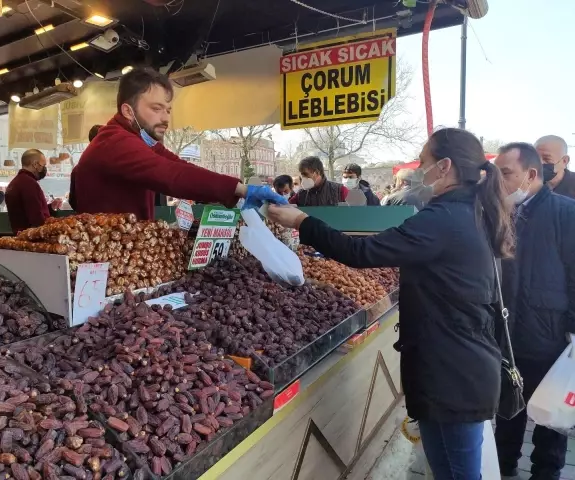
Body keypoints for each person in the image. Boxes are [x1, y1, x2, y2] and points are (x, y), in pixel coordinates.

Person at [267, 128, 514, 479]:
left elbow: (361, 251)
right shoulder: (470, 211)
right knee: (448, 468)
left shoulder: (444, 219)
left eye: (424, 162)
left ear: (444, 167)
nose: (419, 172)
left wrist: (303, 222)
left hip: (453, 372)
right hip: (459, 363)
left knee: (458, 472)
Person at [70, 68, 285, 219]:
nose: (165, 118)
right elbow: (172, 175)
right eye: (156, 109)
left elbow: (180, 166)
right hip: (106, 260)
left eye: (168, 110)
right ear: (128, 111)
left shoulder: (140, 140)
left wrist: (236, 192)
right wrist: (241, 189)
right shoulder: (114, 142)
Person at [493, 142, 575, 480]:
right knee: (508, 412)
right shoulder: (501, 212)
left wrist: (571, 327)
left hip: (550, 336)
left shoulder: (566, 213)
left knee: (550, 420)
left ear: (530, 174)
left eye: (506, 173)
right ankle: (504, 466)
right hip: (507, 336)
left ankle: (547, 473)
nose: (499, 181)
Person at [5, 149, 63, 234]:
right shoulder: (29, 184)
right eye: (43, 165)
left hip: (20, 235)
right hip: (32, 238)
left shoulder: (14, 183)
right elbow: (36, 218)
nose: (44, 169)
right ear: (35, 164)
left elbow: (26, 210)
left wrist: (50, 207)